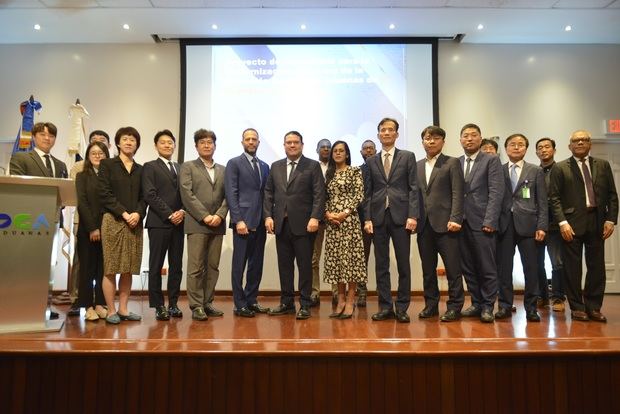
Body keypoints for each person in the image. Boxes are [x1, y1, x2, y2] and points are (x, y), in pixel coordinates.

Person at [549, 129, 618, 322]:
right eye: (576, 140)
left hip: (597, 222)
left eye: (584, 140)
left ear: (590, 144)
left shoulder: (603, 165)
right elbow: (554, 198)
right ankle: (577, 307)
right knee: (572, 268)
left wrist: (610, 220)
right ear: (569, 145)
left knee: (597, 267)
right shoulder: (560, 167)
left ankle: (594, 307)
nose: (580, 143)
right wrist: (562, 222)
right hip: (570, 224)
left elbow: (612, 195)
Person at [264, 131, 325, 320]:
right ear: (284, 145)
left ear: (302, 145)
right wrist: (268, 216)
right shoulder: (276, 167)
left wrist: (315, 217)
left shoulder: (312, 166)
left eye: (295, 142)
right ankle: (287, 303)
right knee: (285, 266)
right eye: (288, 142)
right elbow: (268, 193)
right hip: (281, 225)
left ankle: (305, 303)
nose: (292, 145)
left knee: (305, 266)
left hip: (305, 225)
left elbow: (319, 194)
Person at [9, 121, 68, 320]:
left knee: (48, 268)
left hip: (53, 220)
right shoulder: (21, 157)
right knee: (27, 266)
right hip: (28, 222)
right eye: (42, 134)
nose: (47, 138)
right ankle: (21, 306)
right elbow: (16, 186)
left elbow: (65, 194)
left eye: (51, 135)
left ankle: (44, 307)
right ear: (34, 136)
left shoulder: (60, 165)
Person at [364, 117, 419, 323]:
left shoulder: (407, 157)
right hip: (378, 217)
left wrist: (413, 215)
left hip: (402, 216)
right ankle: (385, 306)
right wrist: (367, 218)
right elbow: (368, 193)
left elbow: (414, 188)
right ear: (378, 135)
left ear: (396, 134)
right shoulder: (371, 161)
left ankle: (402, 307)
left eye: (390, 130)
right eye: (383, 130)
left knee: (404, 263)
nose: (386, 133)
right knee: (381, 264)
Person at [496, 134, 548, 322]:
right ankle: (504, 305)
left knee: (531, 269)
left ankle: (531, 308)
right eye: (512, 144)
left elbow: (542, 201)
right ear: (506, 148)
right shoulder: (498, 170)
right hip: (503, 225)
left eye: (520, 145)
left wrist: (542, 225)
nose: (516, 147)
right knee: (504, 269)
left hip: (529, 226)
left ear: (526, 149)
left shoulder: (535, 171)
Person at [416, 126, 465, 322]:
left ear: (443, 141)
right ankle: (431, 305)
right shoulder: (417, 165)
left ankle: (454, 306)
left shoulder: (451, 162)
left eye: (436, 138)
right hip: (423, 225)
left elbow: (458, 193)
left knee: (453, 269)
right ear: (423, 142)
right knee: (428, 269)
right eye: (428, 138)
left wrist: (455, 218)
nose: (431, 141)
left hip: (447, 225)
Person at [98, 126, 146, 324]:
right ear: (118, 143)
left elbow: (145, 197)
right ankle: (111, 310)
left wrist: (137, 213)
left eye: (133, 140)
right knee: (111, 267)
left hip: (134, 222)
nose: (129, 142)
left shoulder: (141, 169)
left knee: (128, 268)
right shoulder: (107, 165)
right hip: (113, 221)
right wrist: (125, 213)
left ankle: (124, 309)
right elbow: (104, 193)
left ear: (137, 145)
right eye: (125, 139)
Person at [179, 129, 228, 321]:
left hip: (218, 223)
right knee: (196, 267)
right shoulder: (188, 167)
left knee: (213, 266)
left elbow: (228, 196)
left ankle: (208, 302)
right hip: (197, 223)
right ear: (196, 146)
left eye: (210, 142)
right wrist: (205, 216)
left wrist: (220, 215)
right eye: (203, 142)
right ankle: (196, 305)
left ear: (215, 145)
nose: (207, 145)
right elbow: (186, 194)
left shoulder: (224, 169)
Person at [458, 123, 504, 323]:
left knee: (487, 266)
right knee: (467, 266)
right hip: (460, 222)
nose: (469, 139)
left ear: (480, 138)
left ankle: (487, 306)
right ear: (460, 140)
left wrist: (490, 220)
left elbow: (496, 192)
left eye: (473, 135)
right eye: (465, 136)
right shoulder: (456, 162)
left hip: (483, 221)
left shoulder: (490, 160)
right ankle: (476, 302)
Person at [225, 128, 270, 318]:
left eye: (254, 139)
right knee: (239, 265)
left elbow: (267, 195)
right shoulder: (234, 163)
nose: (251, 142)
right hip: (243, 222)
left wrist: (268, 217)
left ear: (259, 142)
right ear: (242, 142)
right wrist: (238, 220)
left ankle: (252, 300)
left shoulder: (265, 166)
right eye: (247, 139)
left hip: (260, 222)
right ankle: (239, 303)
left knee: (256, 264)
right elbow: (231, 193)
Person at [66, 130, 111, 317]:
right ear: (88, 156)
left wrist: (103, 227)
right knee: (86, 268)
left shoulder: (110, 176)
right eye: (93, 153)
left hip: (108, 228)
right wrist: (93, 227)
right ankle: (87, 305)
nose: (97, 156)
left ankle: (100, 303)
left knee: (103, 268)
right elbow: (82, 203)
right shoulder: (82, 175)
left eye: (101, 153)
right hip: (88, 228)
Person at [142, 130, 185, 321]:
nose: (167, 145)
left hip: (179, 223)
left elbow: (186, 194)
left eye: (170, 143)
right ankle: (159, 305)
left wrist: (182, 211)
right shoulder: (150, 167)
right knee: (156, 265)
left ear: (174, 145)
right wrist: (169, 214)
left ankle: (173, 304)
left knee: (176, 265)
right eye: (163, 143)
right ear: (156, 146)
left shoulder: (181, 168)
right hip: (159, 223)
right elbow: (150, 194)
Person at [323, 141, 366, 319]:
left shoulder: (354, 170)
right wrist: (328, 213)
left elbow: (359, 195)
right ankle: (340, 300)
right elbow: (324, 196)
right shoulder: (329, 173)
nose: (338, 153)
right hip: (333, 223)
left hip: (349, 222)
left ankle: (350, 300)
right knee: (337, 263)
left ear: (347, 154)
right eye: (335, 151)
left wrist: (344, 213)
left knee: (350, 262)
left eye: (341, 151)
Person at [535, 137, 566, 312]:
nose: (544, 150)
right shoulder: (533, 171)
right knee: (537, 263)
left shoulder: (561, 170)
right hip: (537, 225)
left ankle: (558, 297)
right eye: (540, 148)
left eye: (547, 147)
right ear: (536, 152)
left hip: (555, 225)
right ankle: (542, 296)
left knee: (558, 263)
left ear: (554, 150)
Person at [311, 138, 331, 306]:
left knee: (334, 258)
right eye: (322, 147)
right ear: (317, 149)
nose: (326, 149)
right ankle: (314, 292)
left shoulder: (338, 167)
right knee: (313, 258)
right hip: (316, 219)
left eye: (328, 147)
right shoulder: (311, 167)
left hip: (334, 219)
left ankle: (337, 293)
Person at [356, 139, 376, 307]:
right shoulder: (357, 171)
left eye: (371, 148)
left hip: (383, 219)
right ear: (361, 152)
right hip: (363, 221)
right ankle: (361, 292)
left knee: (382, 259)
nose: (368, 151)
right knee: (362, 259)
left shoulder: (383, 169)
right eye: (365, 149)